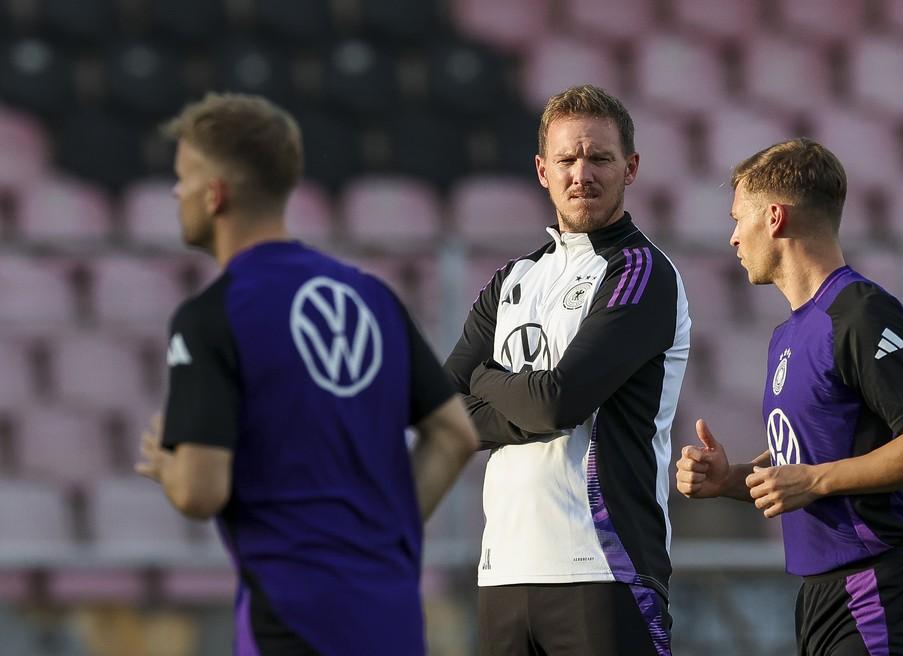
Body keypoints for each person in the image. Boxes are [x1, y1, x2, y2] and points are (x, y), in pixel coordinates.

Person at [134, 93, 478, 656]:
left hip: (295, 619)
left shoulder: (211, 316)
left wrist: (168, 467)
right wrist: (382, 540)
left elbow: (201, 490)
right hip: (390, 614)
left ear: (214, 194)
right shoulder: (373, 298)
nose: (177, 193)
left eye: (183, 177)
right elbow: (455, 435)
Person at [675, 138, 903, 655]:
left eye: (738, 218)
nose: (733, 237)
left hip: (879, 590)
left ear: (775, 217)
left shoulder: (860, 311)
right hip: (820, 597)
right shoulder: (787, 335)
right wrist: (731, 480)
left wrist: (813, 479)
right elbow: (806, 470)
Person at [444, 84, 691, 655]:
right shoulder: (514, 280)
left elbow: (559, 402)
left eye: (600, 157)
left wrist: (485, 377)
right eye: (567, 159)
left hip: (602, 566)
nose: (582, 173)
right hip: (502, 568)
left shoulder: (639, 273)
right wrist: (530, 404)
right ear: (541, 170)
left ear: (630, 167)